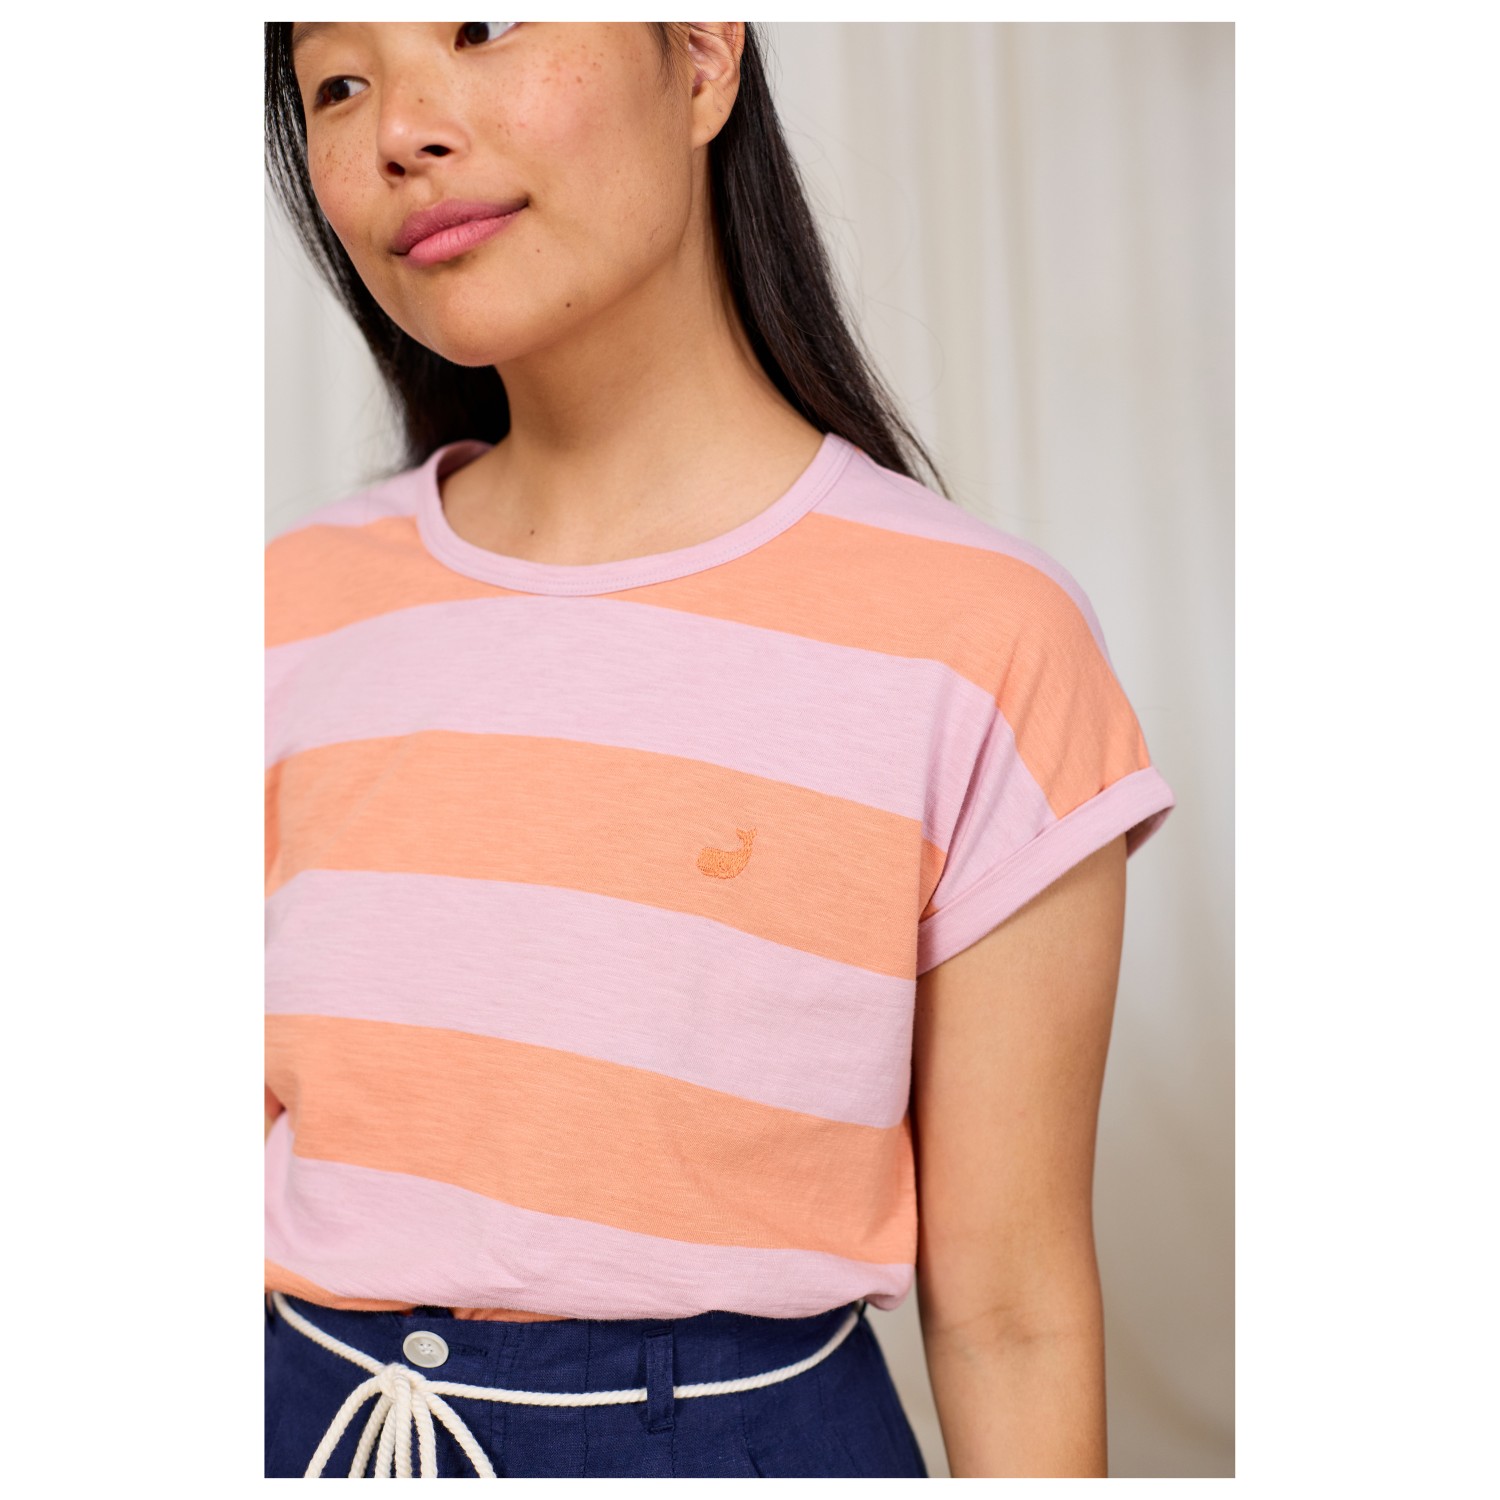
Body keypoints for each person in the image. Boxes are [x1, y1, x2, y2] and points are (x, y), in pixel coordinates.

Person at [263, 21, 1176, 1479]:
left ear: (698, 57)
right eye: (338, 85)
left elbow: (1012, 1314)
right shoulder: (282, 613)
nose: (400, 131)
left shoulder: (982, 638)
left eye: (482, 26)